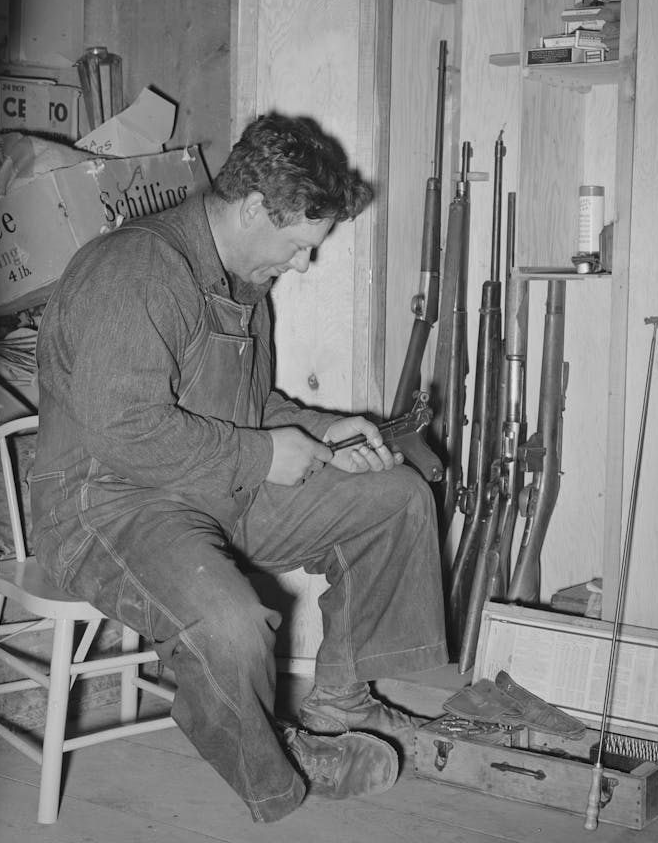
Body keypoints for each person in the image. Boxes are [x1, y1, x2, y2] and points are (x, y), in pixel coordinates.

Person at [31, 112, 448, 824]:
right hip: (104, 505)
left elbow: (248, 408)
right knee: (228, 624)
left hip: (208, 483)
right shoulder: (135, 268)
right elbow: (123, 428)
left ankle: (340, 702)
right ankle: (281, 762)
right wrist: (262, 455)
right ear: (255, 208)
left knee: (392, 494)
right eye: (298, 246)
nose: (302, 265)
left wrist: (324, 427)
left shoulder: (237, 279)